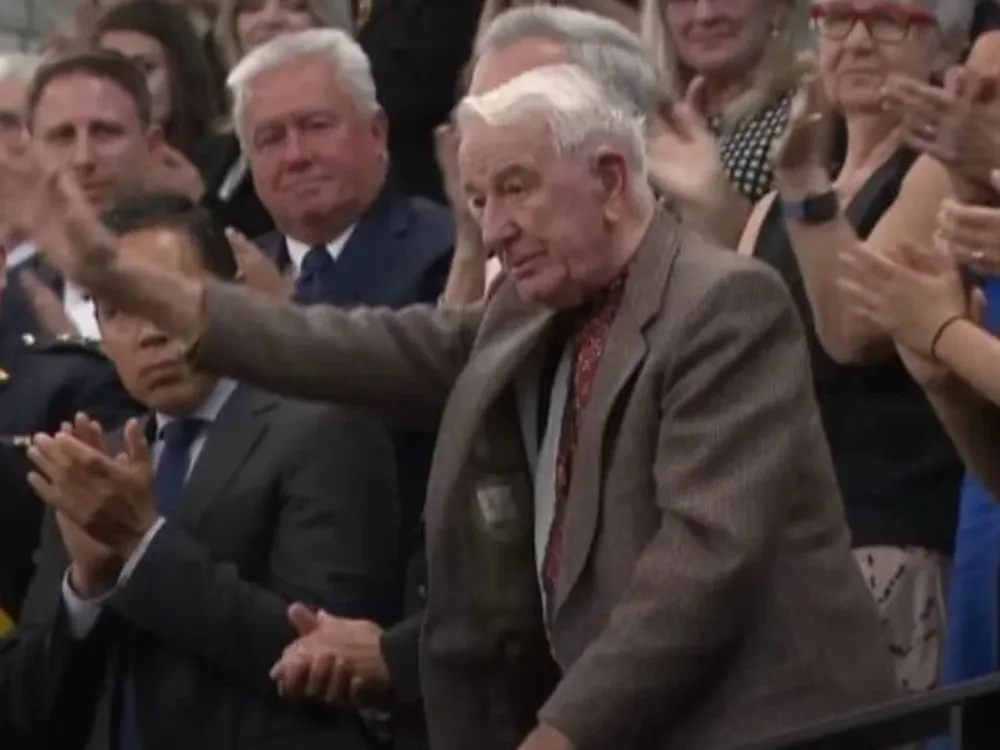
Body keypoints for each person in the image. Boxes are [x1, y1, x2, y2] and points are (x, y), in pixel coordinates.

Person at [8, 63, 900, 750]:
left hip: (763, 727)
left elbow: (701, 569)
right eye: (477, 197)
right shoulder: (528, 304)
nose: (493, 223)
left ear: (611, 179)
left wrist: (560, 734)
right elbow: (357, 347)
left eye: (516, 187)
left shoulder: (723, 305)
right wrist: (132, 281)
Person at [8, 192, 399, 750]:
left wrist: (142, 546)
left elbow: (324, 660)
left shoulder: (326, 430)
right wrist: (86, 589)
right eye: (117, 309)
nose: (149, 333)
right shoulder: (94, 461)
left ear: (232, 298)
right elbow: (29, 706)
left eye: (163, 300)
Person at [441, 5, 661, 305]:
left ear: (609, 180)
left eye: (516, 189)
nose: (492, 235)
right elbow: (444, 338)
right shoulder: (521, 293)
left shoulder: (707, 309)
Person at [640, 0, 811, 245]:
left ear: (778, 7)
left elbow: (799, 264)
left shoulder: (804, 114)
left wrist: (722, 211)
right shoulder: (654, 117)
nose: (704, 15)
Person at [202, 0, 354, 237]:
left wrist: (199, 201)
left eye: (295, 6)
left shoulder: (354, 130)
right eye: (252, 7)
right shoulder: (217, 147)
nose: (270, 20)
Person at [93, 0, 225, 162]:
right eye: (112, 69)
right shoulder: (82, 167)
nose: (128, 84)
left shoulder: (227, 160)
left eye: (146, 68)